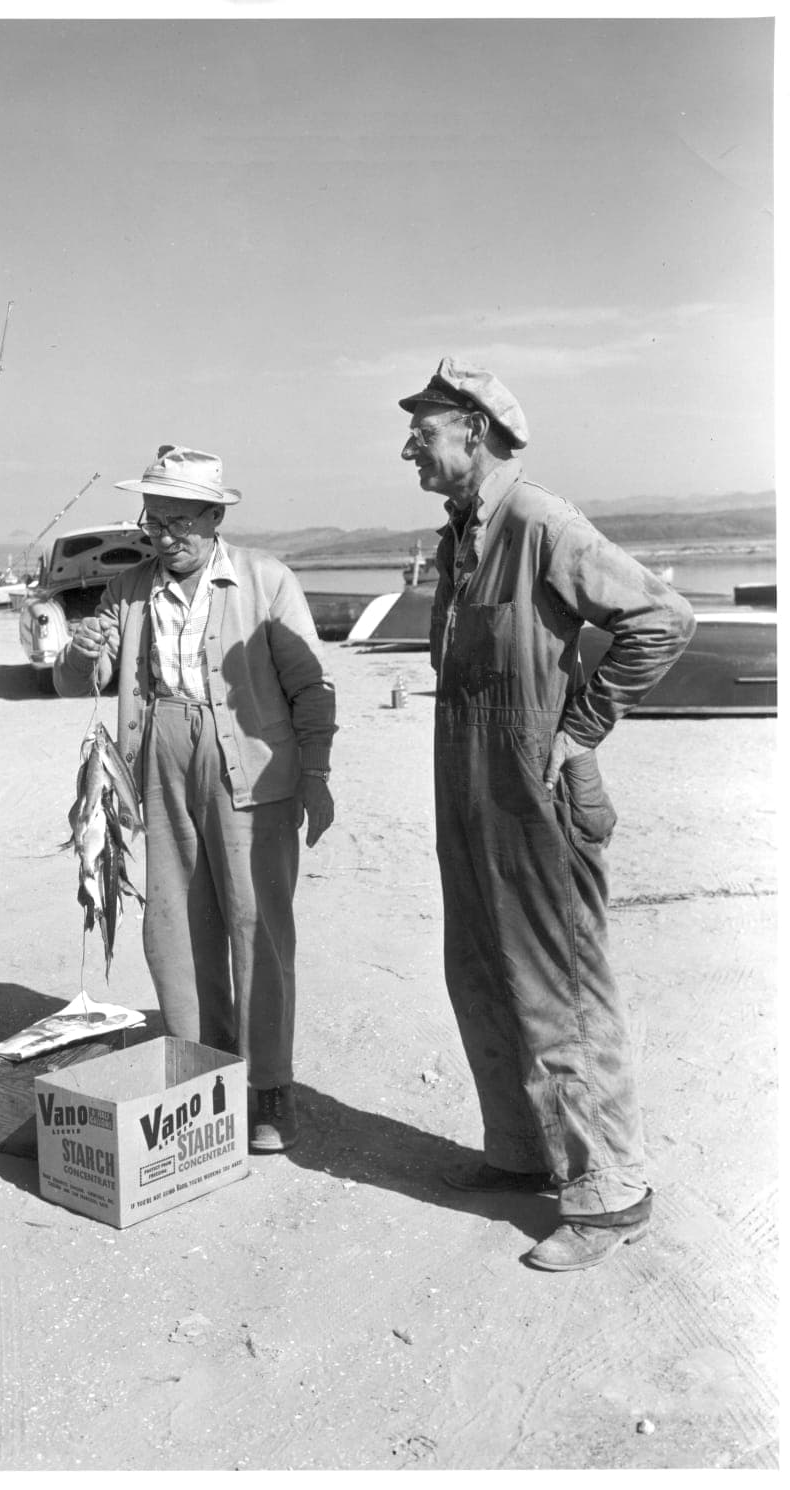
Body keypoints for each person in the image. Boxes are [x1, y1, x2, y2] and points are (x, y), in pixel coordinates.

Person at [397, 357, 695, 1271]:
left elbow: (664, 619)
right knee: (483, 968)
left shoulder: (537, 522)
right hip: (473, 788)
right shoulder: (461, 534)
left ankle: (610, 1195)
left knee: (557, 984)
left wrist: (581, 729)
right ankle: (524, 1152)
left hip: (533, 792)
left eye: (426, 427)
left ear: (475, 432)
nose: (409, 443)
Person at [53, 444, 337, 1153]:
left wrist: (318, 775)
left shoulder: (265, 580)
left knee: (256, 923)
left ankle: (269, 1088)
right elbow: (72, 682)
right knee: (175, 923)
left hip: (251, 764)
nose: (165, 535)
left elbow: (312, 690)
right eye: (155, 520)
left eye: (181, 521)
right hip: (158, 760)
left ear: (215, 518)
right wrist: (85, 648)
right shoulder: (127, 589)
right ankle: (202, 1069)